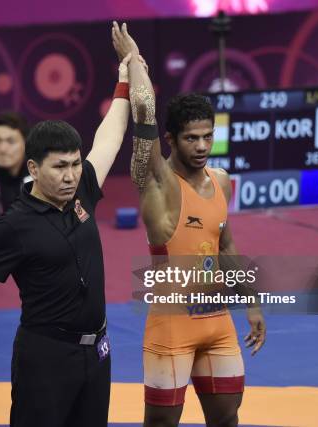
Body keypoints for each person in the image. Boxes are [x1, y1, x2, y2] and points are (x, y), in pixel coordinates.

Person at [0, 27, 139, 427]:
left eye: (75, 164)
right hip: (45, 357)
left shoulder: (83, 187)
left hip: (97, 352)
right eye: (60, 167)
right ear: (34, 168)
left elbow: (111, 135)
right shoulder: (13, 225)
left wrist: (125, 76)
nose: (72, 175)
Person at [114, 24, 267, 426]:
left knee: (227, 418)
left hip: (217, 321)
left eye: (207, 137)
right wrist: (134, 63)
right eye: (190, 139)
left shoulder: (221, 181)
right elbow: (144, 111)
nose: (201, 147)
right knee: (161, 424)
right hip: (171, 327)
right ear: (170, 140)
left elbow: (227, 246)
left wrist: (250, 302)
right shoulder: (159, 184)